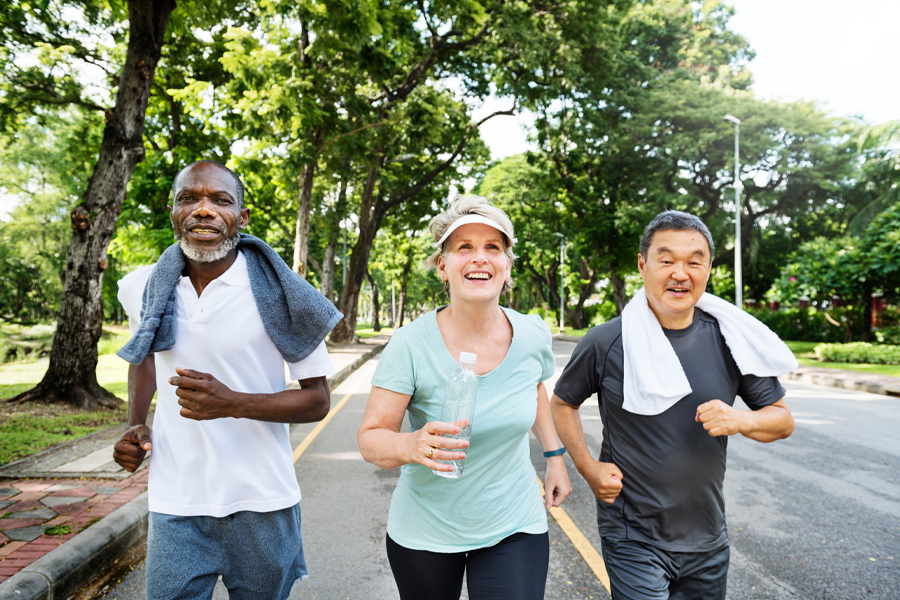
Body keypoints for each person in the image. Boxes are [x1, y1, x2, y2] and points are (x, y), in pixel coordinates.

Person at [112, 160, 342, 600]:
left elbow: (317, 400)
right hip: (175, 501)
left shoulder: (285, 295)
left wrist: (233, 402)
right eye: (188, 199)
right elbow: (143, 355)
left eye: (220, 200)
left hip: (263, 503)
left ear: (242, 217)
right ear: (173, 211)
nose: (203, 210)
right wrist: (135, 422)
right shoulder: (141, 287)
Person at [550, 210, 796, 600]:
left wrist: (740, 419)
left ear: (709, 269)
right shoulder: (606, 342)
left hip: (708, 539)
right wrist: (587, 467)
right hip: (633, 535)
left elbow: (782, 421)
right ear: (643, 264)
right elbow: (562, 403)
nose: (680, 273)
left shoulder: (731, 341)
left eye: (694, 261)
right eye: (666, 261)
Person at [357, 195, 572, 600]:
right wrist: (411, 443)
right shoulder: (409, 344)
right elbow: (371, 438)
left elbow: (535, 387)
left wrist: (554, 457)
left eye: (493, 248)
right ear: (443, 265)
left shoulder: (532, 334)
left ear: (507, 267)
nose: (479, 258)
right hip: (426, 528)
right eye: (464, 248)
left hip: (514, 522)